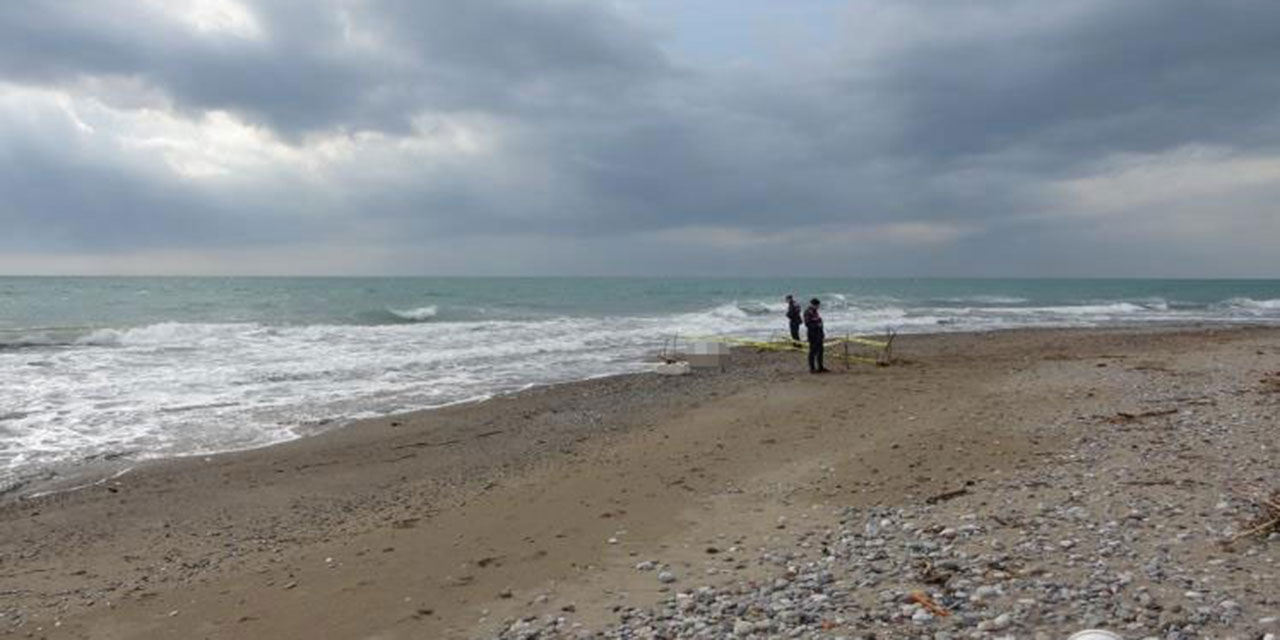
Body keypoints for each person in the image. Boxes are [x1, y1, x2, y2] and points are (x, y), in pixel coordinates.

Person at [803, 298, 829, 373]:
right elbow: (807, 324)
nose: (818, 307)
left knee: (820, 351)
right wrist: (817, 325)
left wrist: (822, 332)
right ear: (813, 304)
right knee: (812, 351)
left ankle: (820, 367)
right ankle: (812, 368)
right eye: (817, 305)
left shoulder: (815, 312)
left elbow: (820, 322)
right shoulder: (808, 312)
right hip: (812, 334)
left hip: (819, 334)